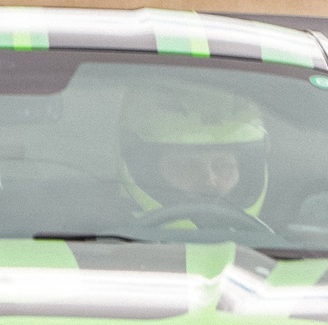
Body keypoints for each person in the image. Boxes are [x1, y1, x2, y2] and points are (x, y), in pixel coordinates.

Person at [115, 81, 271, 226]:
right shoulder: (97, 240)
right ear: (146, 168)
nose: (210, 181)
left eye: (223, 167)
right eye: (187, 165)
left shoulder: (284, 237)